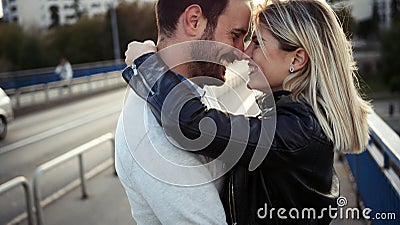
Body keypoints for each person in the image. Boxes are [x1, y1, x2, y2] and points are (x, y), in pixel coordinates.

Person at [124, 0, 372, 224]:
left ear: (296, 60)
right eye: (242, 37)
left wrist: (146, 65)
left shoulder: (296, 132)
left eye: (257, 42)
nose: (245, 52)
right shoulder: (297, 123)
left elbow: (194, 124)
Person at [115, 0, 252, 224]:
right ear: (194, 21)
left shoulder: (193, 89)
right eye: (235, 35)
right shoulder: (152, 134)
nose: (241, 52)